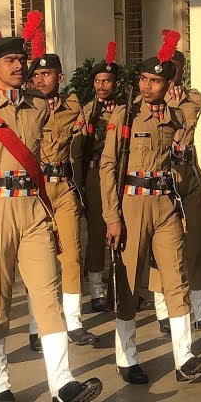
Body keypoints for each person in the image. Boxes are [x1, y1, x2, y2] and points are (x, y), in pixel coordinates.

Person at [0, 32, 104, 402]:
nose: (20, 66)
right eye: (10, 61)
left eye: (22, 60)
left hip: (35, 208)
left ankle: (63, 384)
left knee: (47, 296)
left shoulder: (39, 108)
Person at [101, 30, 201, 385]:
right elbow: (108, 165)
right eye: (144, 79)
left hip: (167, 202)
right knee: (130, 280)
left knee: (176, 278)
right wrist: (111, 216)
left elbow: (195, 109)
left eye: (156, 81)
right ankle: (127, 356)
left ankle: (185, 357)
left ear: (169, 84)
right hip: (132, 204)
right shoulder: (125, 115)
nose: (147, 85)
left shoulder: (176, 116)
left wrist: (180, 100)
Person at [24, 12, 97, 347]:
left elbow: (81, 148)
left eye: (47, 74)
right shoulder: (23, 107)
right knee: (36, 260)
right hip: (35, 190)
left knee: (71, 254)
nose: (41, 80)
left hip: (64, 187)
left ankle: (73, 320)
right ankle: (37, 325)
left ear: (60, 76)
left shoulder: (73, 106)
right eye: (36, 74)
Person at [149, 49, 201, 332]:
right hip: (164, 173)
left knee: (197, 242)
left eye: (177, 66)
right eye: (168, 66)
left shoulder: (193, 98)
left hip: (188, 174)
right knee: (163, 247)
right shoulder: (149, 100)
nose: (173, 71)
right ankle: (163, 310)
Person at [78, 43, 122, 314]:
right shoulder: (86, 110)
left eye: (106, 80)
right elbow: (79, 149)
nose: (101, 85)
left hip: (121, 173)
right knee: (97, 230)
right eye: (97, 80)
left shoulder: (126, 108)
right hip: (96, 173)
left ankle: (122, 284)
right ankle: (96, 289)